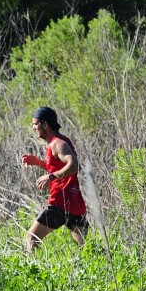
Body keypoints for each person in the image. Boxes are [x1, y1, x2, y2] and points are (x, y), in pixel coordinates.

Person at [21, 107, 88, 251]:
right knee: (84, 248)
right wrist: (38, 162)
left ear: (45, 124)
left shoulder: (57, 143)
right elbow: (64, 168)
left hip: (59, 202)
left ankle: (32, 272)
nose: (33, 128)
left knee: (31, 238)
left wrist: (50, 177)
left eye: (35, 124)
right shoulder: (63, 141)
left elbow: (75, 166)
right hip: (74, 202)